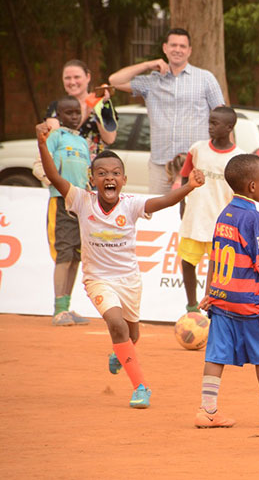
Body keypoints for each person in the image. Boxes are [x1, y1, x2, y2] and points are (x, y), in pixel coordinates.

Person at [36, 123, 205, 408]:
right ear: (91, 178)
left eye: (115, 173)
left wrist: (189, 187)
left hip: (129, 280)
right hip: (98, 280)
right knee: (116, 325)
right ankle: (141, 387)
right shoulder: (81, 200)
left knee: (131, 335)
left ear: (124, 180)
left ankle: (119, 353)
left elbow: (163, 201)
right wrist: (42, 144)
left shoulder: (131, 204)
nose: (109, 178)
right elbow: (53, 176)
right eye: (102, 173)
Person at [194, 154, 259, 429]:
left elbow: (214, 256)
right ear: (252, 186)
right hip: (248, 301)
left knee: (215, 355)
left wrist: (210, 291)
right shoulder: (254, 217)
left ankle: (207, 410)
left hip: (222, 299)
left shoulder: (224, 214)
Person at [109, 28, 225, 194]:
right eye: (173, 45)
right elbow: (114, 81)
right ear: (165, 48)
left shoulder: (205, 78)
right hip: (160, 164)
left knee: (195, 208)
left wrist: (224, 156)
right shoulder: (151, 81)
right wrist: (148, 65)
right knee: (159, 209)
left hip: (197, 164)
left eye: (182, 46)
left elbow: (222, 117)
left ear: (189, 51)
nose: (177, 49)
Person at [178, 106, 248, 314]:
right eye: (210, 122)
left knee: (217, 268)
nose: (210, 127)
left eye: (215, 123)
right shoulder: (197, 149)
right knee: (187, 261)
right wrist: (182, 202)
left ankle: (212, 307)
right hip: (195, 218)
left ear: (229, 127)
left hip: (221, 222)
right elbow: (185, 176)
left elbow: (242, 192)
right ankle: (192, 307)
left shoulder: (239, 157)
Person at [40, 97, 92, 327]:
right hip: (61, 200)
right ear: (59, 116)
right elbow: (42, 163)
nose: (74, 116)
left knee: (75, 255)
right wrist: (51, 180)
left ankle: (66, 306)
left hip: (80, 203)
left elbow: (87, 172)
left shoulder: (82, 142)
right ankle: (58, 309)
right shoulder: (55, 137)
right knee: (64, 254)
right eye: (68, 112)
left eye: (77, 112)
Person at [44, 59, 117, 156]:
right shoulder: (56, 106)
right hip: (67, 160)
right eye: (67, 78)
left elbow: (110, 139)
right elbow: (54, 138)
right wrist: (87, 112)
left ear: (88, 77)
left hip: (94, 162)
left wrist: (97, 109)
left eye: (77, 77)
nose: (72, 82)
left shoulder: (101, 103)